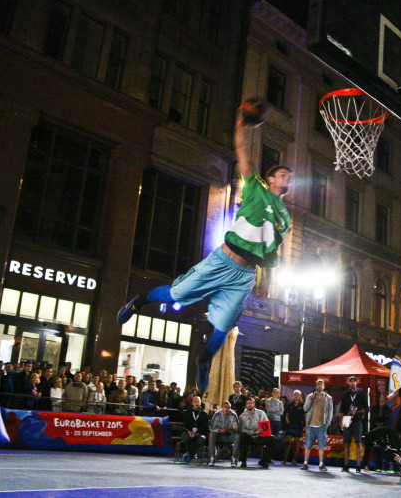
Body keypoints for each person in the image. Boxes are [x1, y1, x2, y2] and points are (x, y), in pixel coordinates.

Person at [117, 110, 292, 394]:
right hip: (223, 259)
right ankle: (137, 302)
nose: (287, 177)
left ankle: (204, 360)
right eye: (282, 173)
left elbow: (275, 251)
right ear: (271, 179)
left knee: (223, 327)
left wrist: (267, 281)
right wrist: (239, 125)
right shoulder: (255, 187)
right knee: (177, 295)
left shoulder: (285, 216)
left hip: (245, 274)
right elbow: (241, 151)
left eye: (289, 176)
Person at [301, 379, 333, 471]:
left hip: (322, 425)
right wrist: (310, 400)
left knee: (322, 446)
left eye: (321, 384)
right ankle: (305, 463)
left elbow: (330, 412)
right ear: (315, 386)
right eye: (318, 384)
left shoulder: (328, 398)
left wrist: (327, 424)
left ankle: (321, 464)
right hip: (311, 424)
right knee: (308, 445)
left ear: (324, 386)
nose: (319, 386)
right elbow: (305, 409)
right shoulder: (310, 396)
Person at [338, 376, 368, 473]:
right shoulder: (345, 394)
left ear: (357, 382)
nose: (352, 383)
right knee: (346, 443)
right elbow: (342, 409)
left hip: (357, 421)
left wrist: (357, 412)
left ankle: (358, 466)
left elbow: (366, 410)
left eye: (354, 381)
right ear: (348, 383)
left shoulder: (361, 394)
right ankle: (346, 465)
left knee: (358, 443)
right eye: (350, 382)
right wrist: (340, 422)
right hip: (346, 420)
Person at [238, 397, 276, 468]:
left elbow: (267, 426)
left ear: (254, 404)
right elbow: (242, 430)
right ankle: (243, 461)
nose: (250, 405)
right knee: (243, 436)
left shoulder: (261, 413)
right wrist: (253, 432)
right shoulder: (242, 416)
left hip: (260, 436)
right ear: (246, 405)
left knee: (272, 438)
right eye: (248, 404)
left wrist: (262, 432)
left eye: (251, 403)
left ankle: (264, 461)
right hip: (249, 436)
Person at [208, 400, 240, 467]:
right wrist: (219, 430)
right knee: (212, 434)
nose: (226, 409)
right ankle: (212, 457)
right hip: (219, 436)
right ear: (222, 407)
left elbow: (236, 428)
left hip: (229, 436)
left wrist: (235, 428)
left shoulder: (233, 415)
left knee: (237, 436)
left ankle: (234, 458)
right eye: (225, 407)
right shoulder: (217, 414)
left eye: (228, 407)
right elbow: (211, 427)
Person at [180, 396, 209, 462]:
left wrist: (197, 433)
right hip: (189, 432)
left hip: (199, 433)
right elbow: (184, 425)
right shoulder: (187, 413)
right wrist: (189, 432)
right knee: (185, 438)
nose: (196, 403)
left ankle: (190, 454)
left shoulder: (204, 414)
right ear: (192, 403)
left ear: (200, 403)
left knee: (201, 439)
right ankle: (192, 454)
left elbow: (205, 427)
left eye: (198, 402)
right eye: (195, 402)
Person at [282, 389, 305, 465]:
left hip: (299, 425)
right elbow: (286, 414)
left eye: (297, 395)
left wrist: (305, 426)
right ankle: (285, 459)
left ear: (300, 396)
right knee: (288, 441)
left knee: (296, 442)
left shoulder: (303, 405)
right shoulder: (290, 405)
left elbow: (306, 416)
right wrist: (287, 419)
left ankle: (294, 460)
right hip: (290, 425)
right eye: (295, 394)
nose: (296, 396)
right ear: (293, 396)